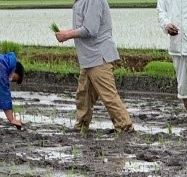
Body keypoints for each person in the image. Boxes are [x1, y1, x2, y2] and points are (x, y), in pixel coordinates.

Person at [54, 0, 134, 134]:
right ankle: (81, 126)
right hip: (88, 58)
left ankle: (125, 127)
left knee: (108, 96)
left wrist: (66, 35)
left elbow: (90, 29)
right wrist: (66, 33)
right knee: (83, 95)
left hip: (98, 56)